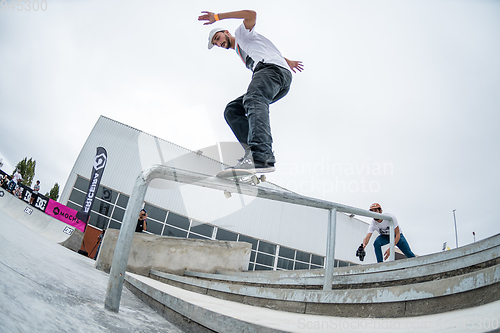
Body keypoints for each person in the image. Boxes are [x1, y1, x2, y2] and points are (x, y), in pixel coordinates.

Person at [198, 10, 303, 173]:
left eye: (218, 38)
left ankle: (261, 156)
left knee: (253, 99)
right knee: (232, 110)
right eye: (216, 44)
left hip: (271, 71)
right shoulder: (243, 50)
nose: (219, 43)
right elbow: (268, 50)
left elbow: (251, 14)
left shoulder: (241, 35)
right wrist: (287, 61)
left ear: (226, 32)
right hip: (277, 78)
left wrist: (217, 17)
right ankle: (251, 153)